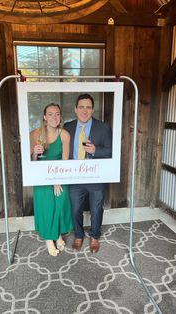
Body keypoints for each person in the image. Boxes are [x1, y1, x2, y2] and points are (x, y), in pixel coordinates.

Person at [64, 93, 112, 253]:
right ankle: (78, 235)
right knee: (75, 207)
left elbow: (111, 151)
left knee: (96, 209)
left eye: (88, 107)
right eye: (81, 107)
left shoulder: (103, 128)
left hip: (96, 176)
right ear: (75, 109)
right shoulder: (68, 127)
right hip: (74, 176)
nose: (85, 111)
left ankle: (95, 236)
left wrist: (95, 150)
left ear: (92, 110)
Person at [30, 103, 73, 256]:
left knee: (60, 201)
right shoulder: (35, 134)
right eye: (50, 114)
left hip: (59, 173)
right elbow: (32, 163)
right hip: (41, 175)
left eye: (57, 114)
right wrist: (34, 153)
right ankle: (49, 239)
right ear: (44, 117)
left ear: (60, 116)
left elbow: (65, 161)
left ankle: (57, 233)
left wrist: (57, 179)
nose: (54, 117)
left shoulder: (64, 134)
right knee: (47, 204)